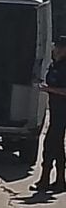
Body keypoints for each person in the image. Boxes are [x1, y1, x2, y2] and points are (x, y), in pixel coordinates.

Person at [32, 37, 66, 192]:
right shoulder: (54, 65)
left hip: (62, 111)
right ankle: (57, 180)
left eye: (61, 48)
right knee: (56, 146)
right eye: (56, 47)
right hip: (54, 110)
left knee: (51, 144)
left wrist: (47, 89)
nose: (57, 50)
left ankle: (49, 179)